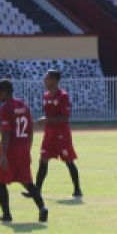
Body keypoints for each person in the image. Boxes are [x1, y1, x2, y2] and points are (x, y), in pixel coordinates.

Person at [0, 79, 47, 223]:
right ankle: (42, 207)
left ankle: (6, 215)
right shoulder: (24, 105)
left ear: (4, 92)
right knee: (27, 181)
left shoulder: (6, 108)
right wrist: (28, 149)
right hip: (23, 148)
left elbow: (6, 133)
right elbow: (30, 130)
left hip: (10, 149)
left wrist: (3, 155)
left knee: (0, 181)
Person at [30, 69, 82, 199]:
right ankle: (37, 191)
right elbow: (49, 115)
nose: (44, 80)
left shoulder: (63, 96)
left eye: (47, 78)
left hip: (61, 134)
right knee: (43, 160)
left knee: (68, 160)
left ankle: (77, 189)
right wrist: (43, 121)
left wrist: (46, 120)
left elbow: (65, 118)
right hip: (49, 133)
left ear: (54, 80)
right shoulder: (46, 95)